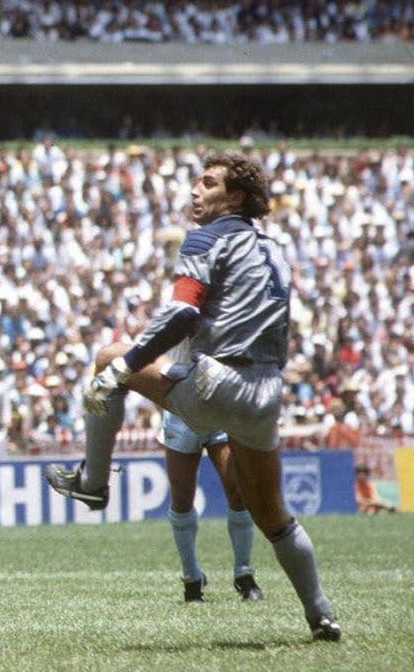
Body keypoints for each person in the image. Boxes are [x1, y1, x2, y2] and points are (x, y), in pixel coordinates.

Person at [45, 152, 341, 641]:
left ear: (235, 197)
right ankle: (321, 613)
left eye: (207, 183)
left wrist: (127, 364)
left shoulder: (206, 238)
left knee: (106, 359)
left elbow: (183, 315)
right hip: (266, 395)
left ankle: (93, 482)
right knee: (274, 515)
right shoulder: (275, 249)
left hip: (216, 383)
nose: (194, 192)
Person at [158, 407, 261, 603]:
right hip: (180, 413)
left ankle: (244, 574)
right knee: (181, 497)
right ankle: (192, 578)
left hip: (219, 410)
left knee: (238, 491)